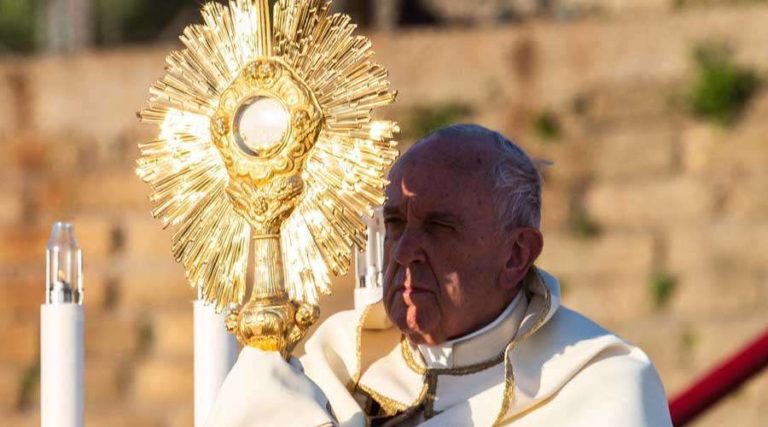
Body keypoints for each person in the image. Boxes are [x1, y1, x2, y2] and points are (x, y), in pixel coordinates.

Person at [205, 124, 673, 427]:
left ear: (516, 255)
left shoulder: (601, 389)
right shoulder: (333, 364)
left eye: (440, 228)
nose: (405, 251)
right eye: (395, 224)